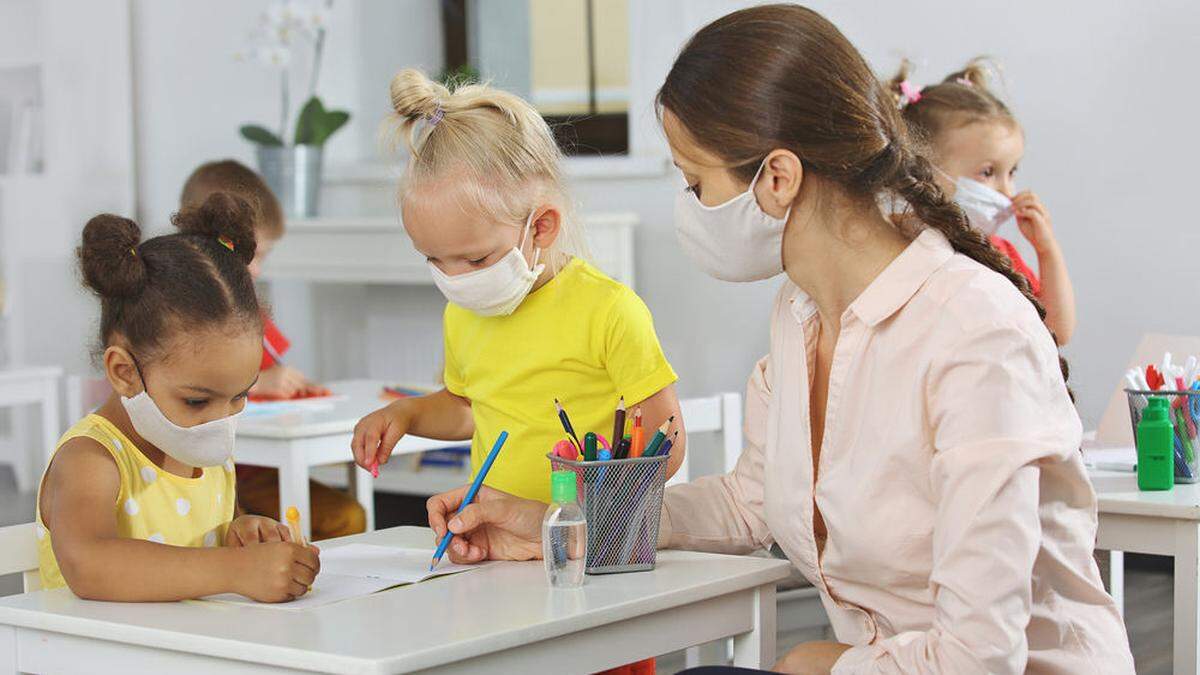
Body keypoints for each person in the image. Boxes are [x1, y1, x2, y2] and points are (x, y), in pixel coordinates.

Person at [425, 5, 1133, 673]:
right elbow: (746, 503)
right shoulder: (800, 316)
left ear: (777, 177)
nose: (691, 210)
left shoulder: (975, 334)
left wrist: (818, 662)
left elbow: (980, 656)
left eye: (695, 182)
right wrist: (556, 522)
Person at [351, 69, 685, 505]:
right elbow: (470, 409)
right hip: (498, 536)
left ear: (541, 227)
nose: (457, 279)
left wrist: (593, 502)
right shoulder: (462, 312)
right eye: (434, 259)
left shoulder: (609, 310)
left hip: (591, 542)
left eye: (476, 259)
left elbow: (667, 443)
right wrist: (405, 413)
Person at [36, 193, 319, 602]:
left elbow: (200, 553)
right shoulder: (91, 459)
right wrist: (234, 569)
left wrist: (240, 534)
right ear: (124, 372)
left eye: (240, 395)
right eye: (196, 401)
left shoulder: (197, 448)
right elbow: (88, 564)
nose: (220, 420)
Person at [180, 160, 365, 540]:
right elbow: (178, 384)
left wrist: (288, 384)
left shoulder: (249, 310)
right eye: (255, 256)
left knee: (347, 517)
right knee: (231, 537)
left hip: (258, 469)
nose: (259, 270)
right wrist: (258, 383)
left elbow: (272, 372)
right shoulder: (179, 309)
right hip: (205, 472)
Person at [889, 59, 1077, 344]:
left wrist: (1046, 251)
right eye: (988, 173)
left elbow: (1056, 332)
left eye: (1011, 171)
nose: (1006, 190)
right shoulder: (894, 247)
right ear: (923, 170)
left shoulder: (1000, 255)